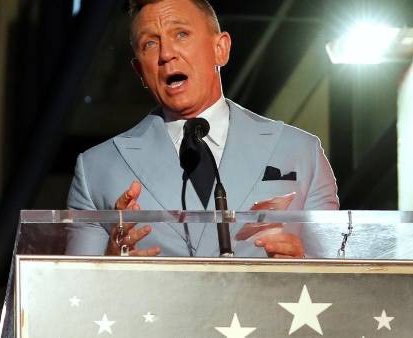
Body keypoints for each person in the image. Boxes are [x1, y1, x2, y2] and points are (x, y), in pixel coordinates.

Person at [66, 0, 339, 258]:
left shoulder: (300, 151)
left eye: (181, 34)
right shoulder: (96, 169)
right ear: (140, 71)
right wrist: (109, 262)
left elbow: (344, 275)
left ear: (221, 49)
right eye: (150, 43)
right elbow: (75, 291)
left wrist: (302, 262)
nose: (166, 54)